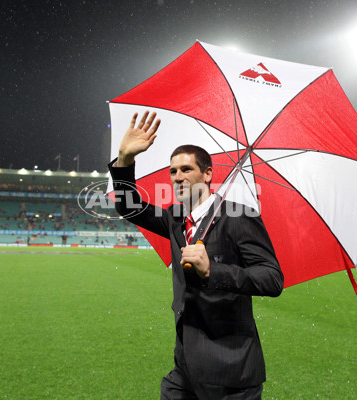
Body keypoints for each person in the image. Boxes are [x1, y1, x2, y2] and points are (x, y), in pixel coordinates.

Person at [108, 111, 283, 400]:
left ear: (208, 174)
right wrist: (125, 160)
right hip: (186, 367)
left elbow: (272, 279)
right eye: (173, 171)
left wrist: (213, 270)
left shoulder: (239, 216)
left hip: (231, 372)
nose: (177, 177)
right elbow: (130, 207)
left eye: (186, 169)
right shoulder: (176, 219)